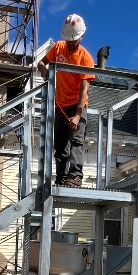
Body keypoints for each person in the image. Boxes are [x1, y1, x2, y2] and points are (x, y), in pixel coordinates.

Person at [37, 13, 95, 187]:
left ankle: (75, 176)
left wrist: (77, 115)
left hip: (78, 105)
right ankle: (61, 178)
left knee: (76, 141)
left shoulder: (86, 58)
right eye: (68, 39)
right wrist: (43, 70)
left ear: (82, 36)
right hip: (60, 104)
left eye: (74, 40)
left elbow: (84, 89)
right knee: (61, 145)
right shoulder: (59, 47)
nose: (70, 43)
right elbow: (41, 62)